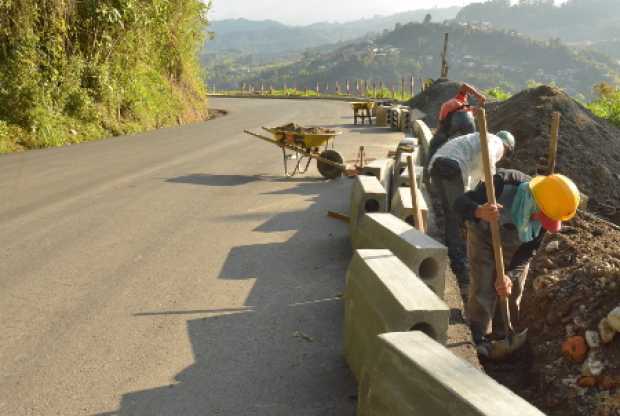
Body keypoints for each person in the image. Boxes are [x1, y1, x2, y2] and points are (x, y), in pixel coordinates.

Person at [454, 169, 580, 356]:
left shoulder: (545, 217)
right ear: (535, 201)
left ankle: (504, 331)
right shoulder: (503, 183)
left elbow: (528, 251)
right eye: (541, 216)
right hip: (482, 234)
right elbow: (459, 203)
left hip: (517, 244)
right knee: (484, 283)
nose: (539, 221)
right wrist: (479, 211)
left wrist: (508, 276)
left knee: (513, 288)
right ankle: (478, 335)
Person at [428, 130, 516, 282]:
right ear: (507, 147)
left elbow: (474, 179)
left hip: (437, 164)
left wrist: (471, 201)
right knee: (456, 215)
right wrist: (492, 184)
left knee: (452, 212)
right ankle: (459, 262)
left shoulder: (476, 140)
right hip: (451, 166)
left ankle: (452, 251)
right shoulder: (495, 142)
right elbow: (488, 160)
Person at [427, 83, 487, 161]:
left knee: (435, 143)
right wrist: (481, 102)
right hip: (468, 120)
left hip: (455, 118)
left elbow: (441, 124)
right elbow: (479, 111)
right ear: (466, 97)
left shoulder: (452, 102)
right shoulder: (468, 108)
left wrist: (479, 96)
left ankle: (429, 167)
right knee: (469, 145)